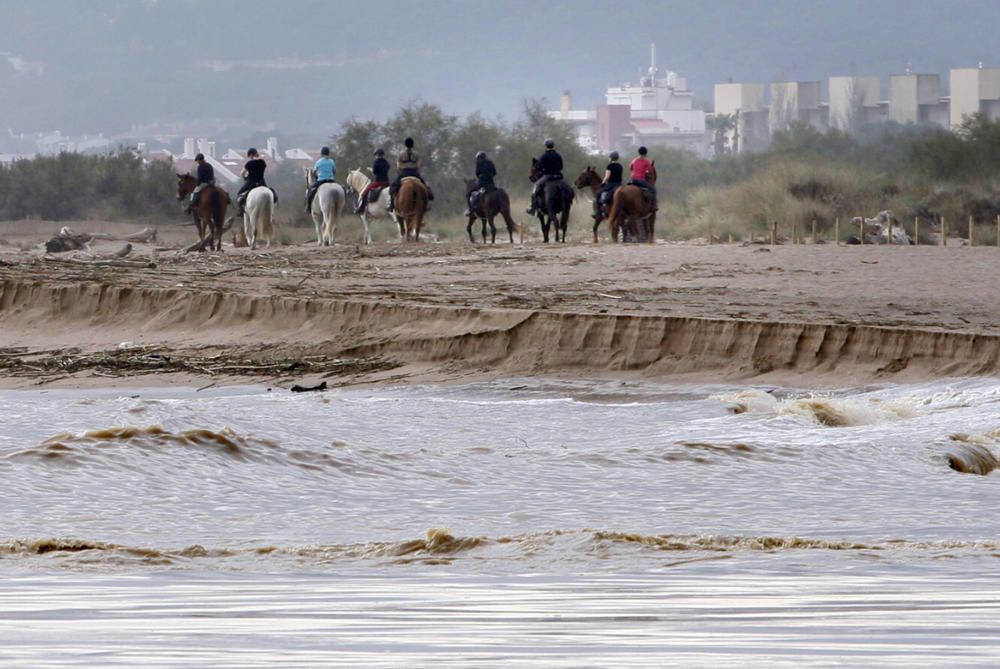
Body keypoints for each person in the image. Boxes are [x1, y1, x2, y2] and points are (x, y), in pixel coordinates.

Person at [388, 137, 433, 212]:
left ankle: (392, 205)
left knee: (393, 187)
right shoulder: (416, 154)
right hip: (414, 173)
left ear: (405, 145)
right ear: (412, 145)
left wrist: (403, 168)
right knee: (425, 186)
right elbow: (418, 165)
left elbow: (399, 165)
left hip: (404, 173)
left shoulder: (401, 154)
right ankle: (426, 204)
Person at [526, 139, 562, 215]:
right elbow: (561, 166)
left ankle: (533, 208)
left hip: (548, 176)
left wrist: (543, 170)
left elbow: (539, 167)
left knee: (536, 186)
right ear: (553, 146)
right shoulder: (558, 155)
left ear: (546, 146)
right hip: (558, 176)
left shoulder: (544, 156)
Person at [237, 147, 274, 215]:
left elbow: (242, 174)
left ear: (251, 155)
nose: (249, 157)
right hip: (261, 182)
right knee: (272, 193)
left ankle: (241, 211)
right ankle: (272, 207)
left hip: (251, 182)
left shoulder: (249, 163)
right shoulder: (263, 162)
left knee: (239, 193)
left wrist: (245, 178)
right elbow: (264, 171)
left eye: (249, 156)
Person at [355, 148, 391, 215]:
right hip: (386, 181)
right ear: (383, 155)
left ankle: (361, 208)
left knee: (364, 193)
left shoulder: (376, 162)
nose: (376, 156)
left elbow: (375, 172)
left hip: (378, 181)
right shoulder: (386, 163)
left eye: (376, 155)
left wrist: (370, 170)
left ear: (377, 155)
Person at [464, 150, 497, 216]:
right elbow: (494, 173)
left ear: (479, 157)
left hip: (482, 184)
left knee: (468, 194)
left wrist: (481, 177)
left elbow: (477, 173)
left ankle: (471, 210)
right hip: (491, 184)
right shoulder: (490, 162)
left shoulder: (479, 162)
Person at [593, 151, 623, 220]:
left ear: (611, 158)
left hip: (611, 184)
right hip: (619, 184)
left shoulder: (609, 166)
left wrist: (603, 183)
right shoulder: (620, 166)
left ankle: (598, 213)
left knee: (598, 194)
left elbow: (607, 177)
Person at [305, 146, 336, 213]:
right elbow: (334, 171)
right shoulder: (332, 161)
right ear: (328, 153)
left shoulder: (318, 162)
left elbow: (313, 173)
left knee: (311, 192)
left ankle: (308, 207)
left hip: (321, 181)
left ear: (321, 153)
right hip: (331, 181)